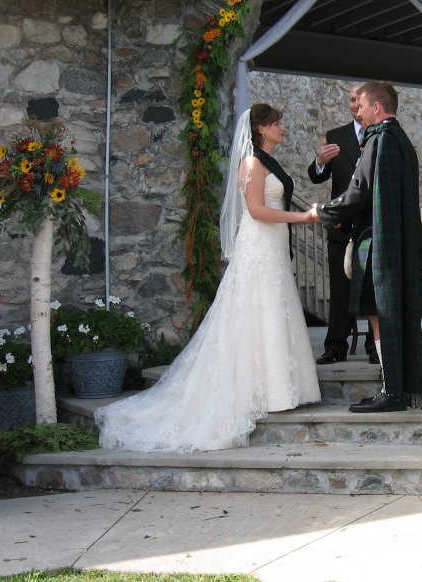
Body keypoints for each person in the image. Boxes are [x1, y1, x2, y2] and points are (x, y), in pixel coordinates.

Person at [95, 104, 321, 452]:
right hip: (258, 244)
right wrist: (303, 218)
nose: (283, 127)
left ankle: (281, 387)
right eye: (277, 123)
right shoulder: (252, 163)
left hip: (273, 246)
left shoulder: (269, 160)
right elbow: (258, 210)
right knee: (254, 310)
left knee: (275, 310)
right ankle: (260, 389)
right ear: (260, 129)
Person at [311, 81, 422, 413]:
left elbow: (360, 190)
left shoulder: (380, 138)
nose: (356, 110)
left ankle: (392, 392)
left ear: (377, 108)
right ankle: (391, 387)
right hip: (390, 238)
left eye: (360, 105)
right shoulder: (399, 139)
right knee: (381, 315)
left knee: (384, 316)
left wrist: (321, 212)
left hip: (380, 241)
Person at [307, 84, 378, 366]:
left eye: (357, 100)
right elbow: (315, 177)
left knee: (373, 290)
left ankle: (375, 346)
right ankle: (335, 347)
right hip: (341, 228)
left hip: (372, 226)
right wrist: (320, 162)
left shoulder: (381, 134)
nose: (353, 105)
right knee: (340, 291)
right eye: (350, 100)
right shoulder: (335, 137)